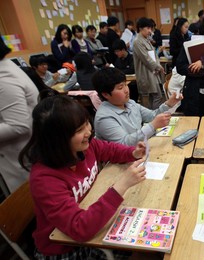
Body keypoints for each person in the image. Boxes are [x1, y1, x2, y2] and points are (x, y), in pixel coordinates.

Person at [18, 95, 146, 258]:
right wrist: (122, 185)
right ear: (57, 140)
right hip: (62, 247)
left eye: (86, 122)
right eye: (79, 130)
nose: (88, 131)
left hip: (89, 217)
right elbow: (80, 229)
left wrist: (132, 152)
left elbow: (109, 150)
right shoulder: (45, 179)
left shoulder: (83, 146)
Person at [93, 67, 182, 146]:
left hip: (139, 151)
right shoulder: (104, 118)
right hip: (119, 162)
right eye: (120, 88)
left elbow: (152, 116)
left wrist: (169, 103)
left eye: (126, 85)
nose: (126, 90)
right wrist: (152, 126)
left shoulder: (130, 104)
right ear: (105, 94)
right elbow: (124, 143)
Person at [0, 36, 38, 193]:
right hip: (21, 156)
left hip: (20, 159)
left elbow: (18, 126)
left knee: (26, 209)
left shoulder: (3, 77)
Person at [133, 17, 165, 109]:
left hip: (153, 72)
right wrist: (159, 67)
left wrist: (158, 66)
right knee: (156, 96)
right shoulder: (137, 41)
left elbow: (154, 55)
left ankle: (152, 116)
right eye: (148, 28)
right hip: (146, 73)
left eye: (150, 28)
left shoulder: (146, 39)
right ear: (140, 28)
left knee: (154, 96)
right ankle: (154, 116)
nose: (150, 31)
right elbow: (146, 58)